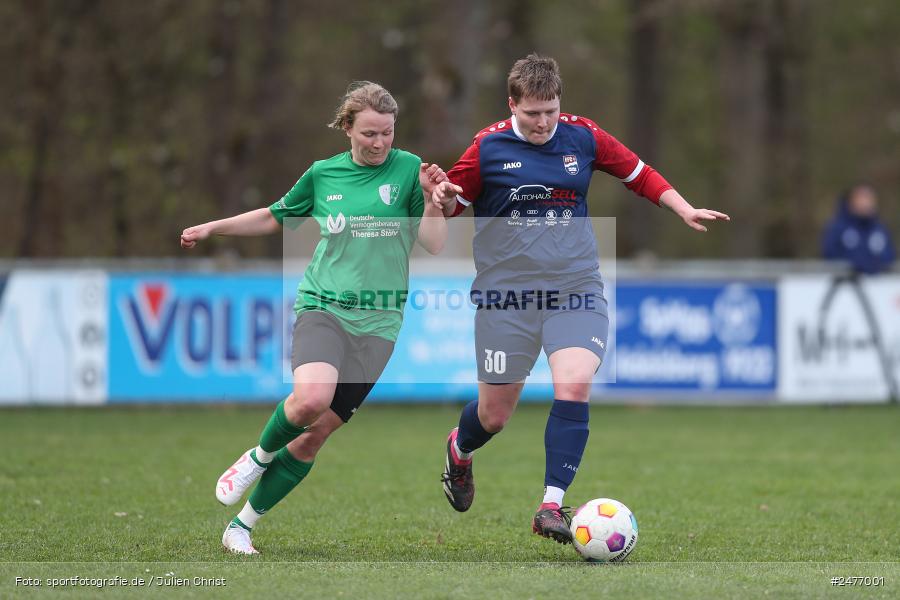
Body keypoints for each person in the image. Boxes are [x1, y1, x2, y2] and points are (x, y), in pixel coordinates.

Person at [438, 54, 730, 544]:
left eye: (550, 110)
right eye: (532, 113)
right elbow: (449, 206)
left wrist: (683, 207)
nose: (543, 122)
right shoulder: (486, 147)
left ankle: (551, 504)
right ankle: (459, 450)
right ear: (512, 104)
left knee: (573, 384)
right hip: (507, 297)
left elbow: (638, 173)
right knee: (495, 415)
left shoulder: (584, 136)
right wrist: (439, 198)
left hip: (575, 288)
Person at [181, 81, 461, 555]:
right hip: (324, 307)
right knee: (310, 400)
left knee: (317, 435)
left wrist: (437, 202)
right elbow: (276, 216)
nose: (379, 143)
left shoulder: (412, 169)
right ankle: (258, 456)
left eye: (387, 134)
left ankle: (241, 527)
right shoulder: (323, 174)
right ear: (347, 128)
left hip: (380, 323)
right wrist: (214, 226)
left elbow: (433, 242)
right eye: (370, 133)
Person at [821, 183, 895, 274]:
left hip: (878, 285)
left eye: (868, 198)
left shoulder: (880, 229)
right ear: (851, 201)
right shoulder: (838, 228)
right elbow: (830, 254)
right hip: (845, 284)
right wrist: (858, 263)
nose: (865, 203)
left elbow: (890, 255)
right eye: (861, 198)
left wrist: (873, 265)